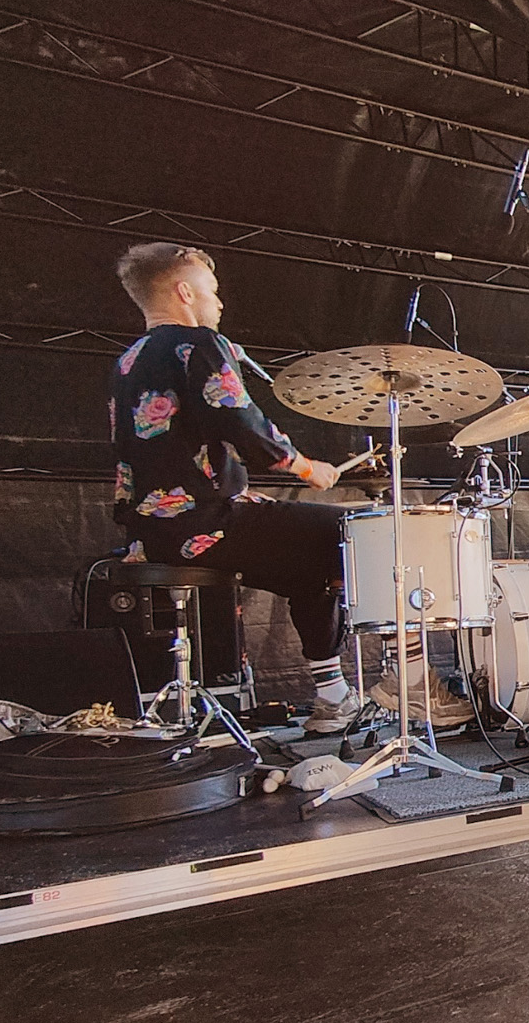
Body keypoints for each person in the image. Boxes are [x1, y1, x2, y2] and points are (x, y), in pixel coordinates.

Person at [106, 243, 371, 734]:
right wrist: (306, 467)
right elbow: (240, 420)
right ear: (185, 292)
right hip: (203, 522)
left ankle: (334, 698)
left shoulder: (129, 360)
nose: (220, 301)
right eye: (212, 289)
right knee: (359, 531)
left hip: (151, 534)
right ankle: (407, 680)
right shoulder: (197, 344)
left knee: (310, 566)